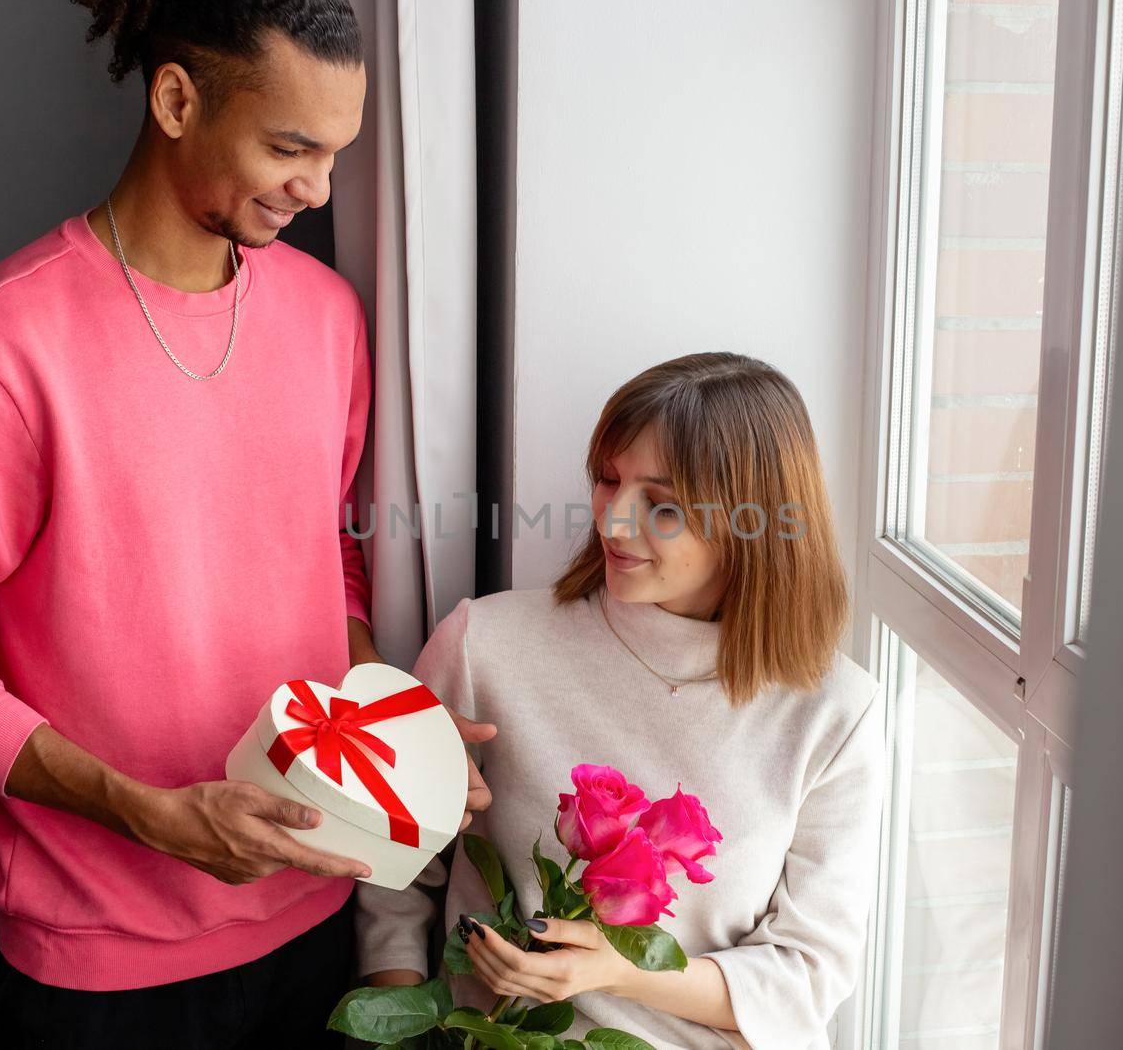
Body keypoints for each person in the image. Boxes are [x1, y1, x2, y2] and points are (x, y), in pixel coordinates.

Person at [0, 0, 490, 1046]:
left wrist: (382, 735)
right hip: (100, 974)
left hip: (318, 918)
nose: (316, 190)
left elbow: (323, 561)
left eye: (335, 152)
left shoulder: (326, 317)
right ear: (178, 100)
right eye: (288, 146)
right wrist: (148, 808)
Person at [356, 353, 887, 1049]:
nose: (612, 521)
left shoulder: (836, 710)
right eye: (608, 479)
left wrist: (621, 972)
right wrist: (393, 1034)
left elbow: (810, 973)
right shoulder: (485, 645)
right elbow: (391, 878)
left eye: (661, 504)